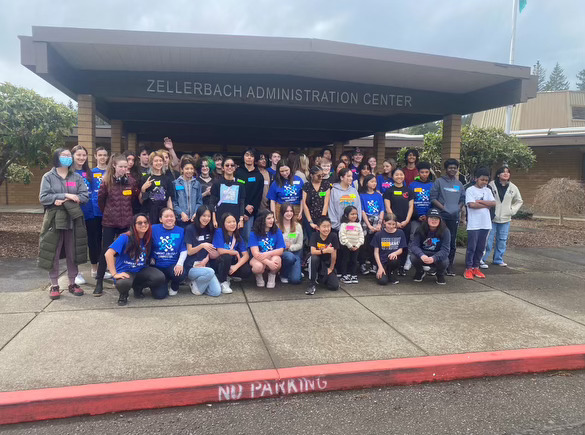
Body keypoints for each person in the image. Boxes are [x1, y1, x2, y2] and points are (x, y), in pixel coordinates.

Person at [39, 148, 89, 300]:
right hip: (54, 220)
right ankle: (54, 285)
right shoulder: (48, 176)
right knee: (53, 251)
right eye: (64, 155)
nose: (67, 158)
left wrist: (67, 200)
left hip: (73, 219)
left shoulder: (76, 177)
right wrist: (66, 195)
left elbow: (84, 196)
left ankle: (72, 283)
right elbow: (43, 197)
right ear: (57, 157)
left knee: (72, 251)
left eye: (69, 156)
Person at [94, 154, 140, 296]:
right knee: (105, 251)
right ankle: (99, 281)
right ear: (114, 166)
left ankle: (127, 280)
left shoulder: (131, 181)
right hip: (110, 221)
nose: (123, 169)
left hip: (126, 222)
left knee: (127, 251)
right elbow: (101, 201)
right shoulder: (106, 181)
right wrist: (110, 212)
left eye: (125, 167)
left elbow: (133, 200)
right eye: (121, 166)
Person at [104, 214, 166, 306]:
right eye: (139, 223)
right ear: (134, 225)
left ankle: (138, 287)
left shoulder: (148, 238)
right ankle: (123, 294)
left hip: (140, 269)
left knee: (159, 277)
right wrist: (114, 274)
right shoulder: (125, 237)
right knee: (123, 283)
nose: (143, 225)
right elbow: (108, 254)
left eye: (145, 222)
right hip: (126, 271)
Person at [481, 166, 523, 268]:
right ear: (498, 174)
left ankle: (498, 259)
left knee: (502, 240)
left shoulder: (513, 187)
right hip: (491, 218)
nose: (506, 174)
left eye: (508, 172)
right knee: (488, 241)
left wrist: (512, 210)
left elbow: (519, 201)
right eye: (503, 172)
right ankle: (482, 259)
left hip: (505, 218)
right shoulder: (491, 185)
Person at [430, 158, 465, 276]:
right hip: (441, 217)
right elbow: (433, 198)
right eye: (450, 167)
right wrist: (444, 209)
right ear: (446, 169)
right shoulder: (439, 182)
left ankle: (449, 265)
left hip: (453, 217)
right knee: (437, 240)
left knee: (451, 242)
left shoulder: (459, 184)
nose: (452, 170)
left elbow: (462, 199)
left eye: (455, 168)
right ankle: (435, 265)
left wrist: (457, 209)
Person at [464, 168, 496, 280]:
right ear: (476, 179)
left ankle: (476, 267)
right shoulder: (470, 190)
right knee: (472, 247)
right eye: (482, 179)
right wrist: (486, 205)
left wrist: (480, 202)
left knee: (481, 247)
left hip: (486, 224)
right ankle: (468, 268)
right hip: (474, 224)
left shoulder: (487, 190)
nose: (484, 182)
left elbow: (493, 203)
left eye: (486, 180)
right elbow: (471, 205)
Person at [71, 145, 96, 284]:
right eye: (78, 155)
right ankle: (76, 272)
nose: (81, 158)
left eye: (84, 155)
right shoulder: (69, 173)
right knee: (76, 243)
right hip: (75, 213)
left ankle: (95, 269)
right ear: (73, 156)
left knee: (93, 242)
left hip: (90, 212)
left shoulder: (89, 172)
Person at [383, 168, 414, 276]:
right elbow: (388, 207)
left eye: (401, 174)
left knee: (404, 245)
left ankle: (401, 266)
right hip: (393, 224)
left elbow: (411, 207)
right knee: (393, 245)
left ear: (404, 176)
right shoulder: (389, 191)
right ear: (393, 176)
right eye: (396, 174)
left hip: (406, 223)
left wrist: (406, 221)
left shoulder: (408, 190)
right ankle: (392, 266)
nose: (399, 177)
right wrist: (394, 222)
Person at [185, 205, 221, 296]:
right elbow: (189, 251)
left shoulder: (210, 229)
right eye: (204, 216)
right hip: (192, 266)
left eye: (208, 216)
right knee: (210, 272)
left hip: (205, 265)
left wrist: (207, 258)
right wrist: (201, 245)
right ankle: (195, 285)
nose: (206, 218)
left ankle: (198, 285)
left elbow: (212, 249)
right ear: (198, 216)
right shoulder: (190, 228)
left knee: (216, 292)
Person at [212, 212, 252, 293]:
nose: (232, 224)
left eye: (234, 221)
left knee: (247, 271)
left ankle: (229, 275)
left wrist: (236, 266)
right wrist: (235, 252)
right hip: (219, 261)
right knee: (226, 256)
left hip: (231, 263)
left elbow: (246, 255)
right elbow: (220, 251)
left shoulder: (237, 236)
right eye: (229, 222)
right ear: (223, 224)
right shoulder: (219, 232)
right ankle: (222, 281)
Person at [151, 208, 187, 296]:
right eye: (166, 216)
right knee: (159, 295)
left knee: (181, 274)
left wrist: (180, 264)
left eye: (172, 216)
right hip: (157, 266)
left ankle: (175, 285)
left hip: (172, 265)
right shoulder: (153, 229)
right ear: (160, 219)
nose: (169, 218)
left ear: (175, 218)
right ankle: (164, 281)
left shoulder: (181, 231)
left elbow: (183, 249)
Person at [409, 208, 450, 285]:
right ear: (427, 219)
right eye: (431, 218)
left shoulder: (445, 231)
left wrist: (434, 258)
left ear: (440, 220)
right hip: (423, 254)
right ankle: (420, 272)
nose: (434, 220)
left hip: (436, 254)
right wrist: (422, 255)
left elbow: (445, 250)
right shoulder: (420, 229)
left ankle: (440, 274)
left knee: (445, 260)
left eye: (436, 218)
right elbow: (414, 246)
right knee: (413, 257)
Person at [405, 161, 433, 271]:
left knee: (427, 238)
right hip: (415, 217)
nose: (424, 174)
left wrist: (428, 216)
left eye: (426, 172)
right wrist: (417, 216)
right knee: (413, 237)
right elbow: (410, 202)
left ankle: (425, 260)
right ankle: (409, 258)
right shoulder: (412, 185)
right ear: (418, 173)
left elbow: (433, 201)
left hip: (429, 217)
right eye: (422, 172)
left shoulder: (433, 185)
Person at [249, 210, 285, 288]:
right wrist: (268, 263)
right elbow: (255, 253)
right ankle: (258, 276)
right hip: (258, 258)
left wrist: (267, 254)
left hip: (272, 256)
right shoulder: (253, 233)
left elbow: (281, 250)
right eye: (268, 218)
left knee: (276, 261)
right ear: (262, 220)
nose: (272, 220)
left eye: (272, 218)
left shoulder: (277, 231)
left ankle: (272, 275)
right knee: (258, 267)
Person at [235, 148, 264, 242]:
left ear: (255, 159)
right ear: (243, 157)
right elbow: (235, 192)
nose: (249, 158)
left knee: (247, 237)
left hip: (250, 212)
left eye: (251, 156)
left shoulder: (259, 176)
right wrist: (243, 208)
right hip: (236, 209)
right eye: (247, 155)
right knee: (234, 235)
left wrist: (248, 211)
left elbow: (258, 195)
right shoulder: (237, 173)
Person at [140, 151, 175, 225]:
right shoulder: (145, 178)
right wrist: (143, 189)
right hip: (149, 213)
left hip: (163, 213)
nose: (158, 163)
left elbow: (169, 200)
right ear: (151, 162)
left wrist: (171, 215)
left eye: (160, 160)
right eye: (156, 161)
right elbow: (141, 201)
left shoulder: (167, 179)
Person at [306, 217, 339, 295]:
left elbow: (334, 254)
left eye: (328, 226)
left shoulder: (333, 236)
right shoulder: (315, 235)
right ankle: (312, 284)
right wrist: (325, 251)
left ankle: (321, 278)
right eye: (324, 226)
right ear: (318, 227)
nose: (327, 229)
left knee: (334, 286)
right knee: (313, 258)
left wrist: (331, 268)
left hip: (327, 263)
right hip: (316, 261)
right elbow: (313, 251)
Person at [210, 157, 246, 229]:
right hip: (220, 218)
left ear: (235, 167)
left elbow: (242, 203)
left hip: (235, 219)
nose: (230, 167)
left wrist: (241, 220)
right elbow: (212, 203)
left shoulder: (240, 184)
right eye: (227, 165)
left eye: (232, 165)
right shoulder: (217, 183)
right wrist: (214, 220)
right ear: (222, 168)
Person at [372, 213, 406, 285]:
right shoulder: (379, 234)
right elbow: (376, 252)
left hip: (393, 260)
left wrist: (395, 253)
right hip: (382, 261)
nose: (391, 226)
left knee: (394, 260)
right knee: (382, 282)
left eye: (393, 224)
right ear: (384, 222)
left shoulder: (400, 233)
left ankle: (391, 273)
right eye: (389, 224)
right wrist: (380, 267)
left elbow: (401, 249)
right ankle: (383, 271)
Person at [89, 147, 109, 274]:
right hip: (94, 211)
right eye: (100, 155)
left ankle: (106, 265)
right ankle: (94, 267)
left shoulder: (111, 172)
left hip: (108, 211)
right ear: (95, 156)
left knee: (107, 240)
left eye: (105, 155)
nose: (102, 157)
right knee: (94, 239)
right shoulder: (90, 172)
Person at [359, 174, 384, 274]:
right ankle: (363, 264)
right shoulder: (361, 195)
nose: (374, 183)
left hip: (377, 221)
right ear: (366, 183)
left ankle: (374, 264)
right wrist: (369, 225)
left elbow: (382, 209)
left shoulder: (378, 195)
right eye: (372, 181)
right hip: (366, 222)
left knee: (376, 244)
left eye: (375, 182)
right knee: (364, 244)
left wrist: (379, 223)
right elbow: (362, 210)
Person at [326, 168, 362, 232]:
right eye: (348, 176)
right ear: (341, 178)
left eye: (351, 176)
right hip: (338, 228)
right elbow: (331, 208)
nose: (351, 178)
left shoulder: (354, 191)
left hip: (353, 228)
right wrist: (337, 226)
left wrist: (356, 224)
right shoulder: (334, 191)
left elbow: (358, 207)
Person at [277, 203, 303, 284]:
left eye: (291, 211)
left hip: (295, 253)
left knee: (295, 280)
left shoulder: (297, 226)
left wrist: (290, 247)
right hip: (281, 253)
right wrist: (283, 246)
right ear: (282, 212)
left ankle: (293, 272)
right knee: (289, 257)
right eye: (286, 211)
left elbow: (300, 244)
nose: (289, 213)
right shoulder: (277, 226)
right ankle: (283, 274)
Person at [173, 156, 202, 227]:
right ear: (182, 170)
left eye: (191, 169)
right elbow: (174, 202)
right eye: (187, 169)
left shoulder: (197, 184)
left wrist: (196, 213)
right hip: (180, 219)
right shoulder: (175, 183)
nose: (189, 171)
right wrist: (181, 213)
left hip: (193, 219)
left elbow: (199, 201)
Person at [338, 206, 364, 284]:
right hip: (346, 246)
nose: (354, 216)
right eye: (352, 214)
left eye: (356, 214)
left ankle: (353, 274)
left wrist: (358, 245)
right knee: (345, 260)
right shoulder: (344, 225)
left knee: (354, 261)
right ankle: (344, 275)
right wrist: (349, 245)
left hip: (356, 246)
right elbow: (342, 236)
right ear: (346, 215)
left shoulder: (358, 224)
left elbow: (361, 235)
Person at [302, 165, 330, 234]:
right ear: (311, 175)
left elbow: (326, 203)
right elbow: (304, 203)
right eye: (318, 176)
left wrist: (322, 220)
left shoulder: (325, 184)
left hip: (322, 215)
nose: (321, 178)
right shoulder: (307, 186)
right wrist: (310, 221)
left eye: (322, 175)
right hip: (309, 215)